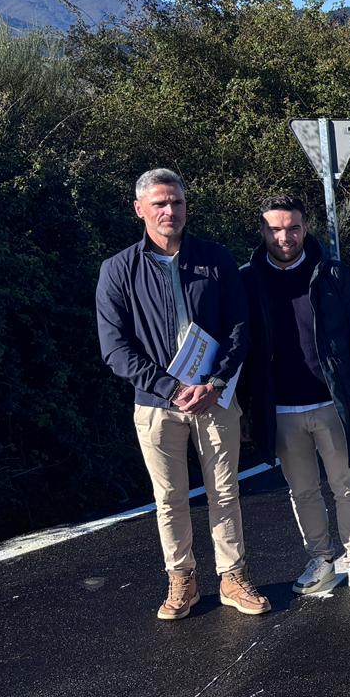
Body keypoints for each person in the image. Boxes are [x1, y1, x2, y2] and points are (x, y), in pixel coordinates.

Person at [95, 168, 269, 620]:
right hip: (156, 404)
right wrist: (171, 388)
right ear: (140, 210)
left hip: (214, 398)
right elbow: (114, 349)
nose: (169, 211)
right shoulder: (117, 270)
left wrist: (215, 383)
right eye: (159, 204)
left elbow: (238, 328)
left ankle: (232, 577)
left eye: (176, 202)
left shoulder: (215, 259)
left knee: (225, 491)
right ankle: (182, 579)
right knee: (169, 497)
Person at [240, 195, 350, 602]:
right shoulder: (249, 280)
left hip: (331, 402)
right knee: (302, 491)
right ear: (263, 231)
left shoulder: (332, 274)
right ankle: (321, 558)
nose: (284, 236)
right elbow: (242, 348)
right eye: (275, 229)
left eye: (292, 228)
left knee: (346, 484)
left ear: (305, 228)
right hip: (281, 408)